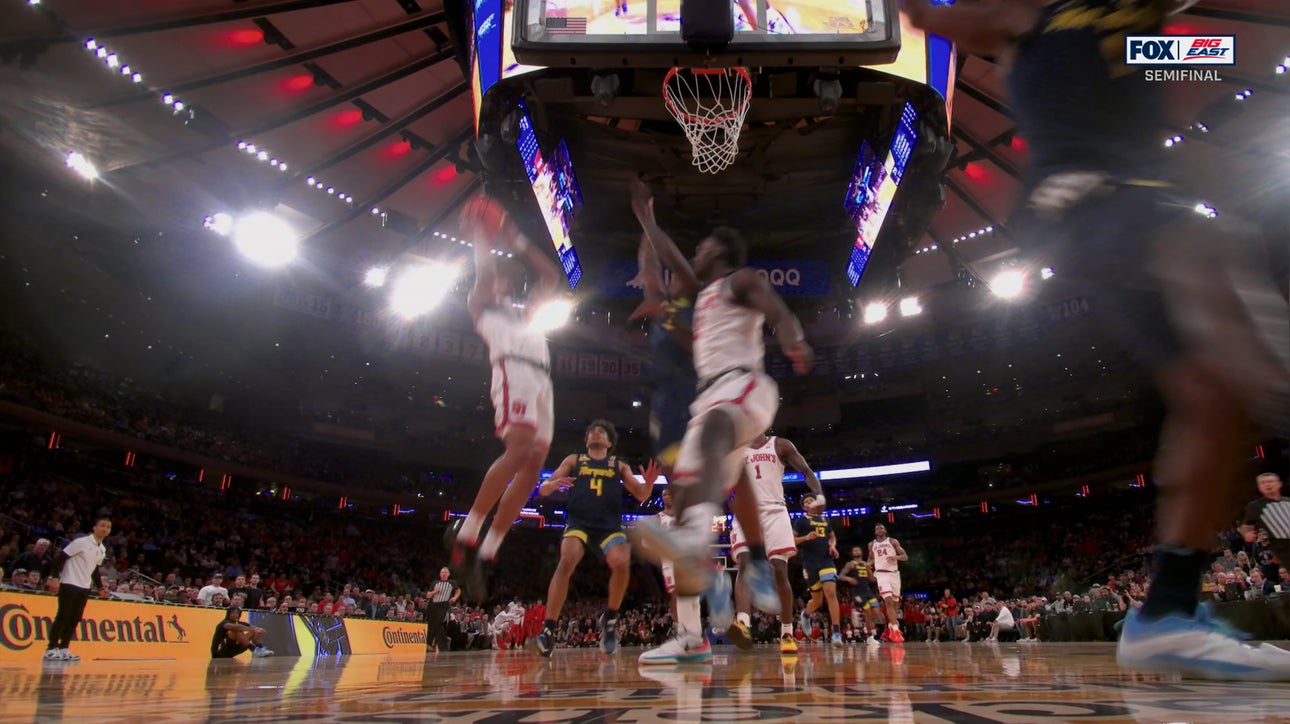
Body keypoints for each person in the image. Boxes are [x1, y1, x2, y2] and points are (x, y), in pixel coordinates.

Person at [903, 0, 1290, 679]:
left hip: (1132, 203)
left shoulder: (1138, 29)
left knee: (1215, 399)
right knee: (1217, 252)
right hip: (1091, 199)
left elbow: (1201, 56)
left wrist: (1210, 60)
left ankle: (1167, 613)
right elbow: (925, 15)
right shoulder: (1035, 20)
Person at [628, 177, 813, 664]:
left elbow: (778, 310)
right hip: (708, 401)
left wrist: (794, 339)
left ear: (721, 251)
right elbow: (671, 261)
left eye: (703, 245)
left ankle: (712, 548)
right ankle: (693, 637)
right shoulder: (702, 293)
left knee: (714, 444)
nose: (696, 250)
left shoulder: (740, 279)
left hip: (745, 385)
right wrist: (646, 220)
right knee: (690, 497)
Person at [446, 193, 565, 601]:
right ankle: (468, 531)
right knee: (517, 450)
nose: (502, 280)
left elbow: (550, 276)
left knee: (534, 467)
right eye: (498, 276)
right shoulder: (481, 304)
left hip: (542, 381)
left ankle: (493, 545)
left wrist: (515, 236)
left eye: (506, 278)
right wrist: (482, 233)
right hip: (512, 370)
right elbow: (484, 269)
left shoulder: (524, 310)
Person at [530, 420, 657, 657]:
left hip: (608, 525)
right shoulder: (573, 460)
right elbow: (543, 489)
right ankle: (548, 630)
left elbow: (641, 495)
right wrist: (551, 484)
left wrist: (648, 483)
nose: (595, 432)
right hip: (579, 522)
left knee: (621, 562)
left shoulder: (618, 465)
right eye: (591, 432)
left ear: (609, 443)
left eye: (600, 431)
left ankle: (609, 618)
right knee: (567, 560)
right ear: (587, 441)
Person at [727, 433, 825, 655]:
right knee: (744, 564)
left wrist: (819, 494)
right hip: (746, 510)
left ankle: (787, 632)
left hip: (775, 511)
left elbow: (807, 472)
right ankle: (743, 623)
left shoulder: (780, 444)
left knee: (780, 570)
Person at [44, 519, 110, 661]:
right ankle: (51, 648)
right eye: (102, 526)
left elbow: (95, 570)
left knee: (75, 618)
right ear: (94, 527)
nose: (105, 529)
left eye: (107, 527)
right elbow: (60, 557)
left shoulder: (102, 549)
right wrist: (54, 577)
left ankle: (64, 647)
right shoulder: (81, 542)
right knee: (63, 615)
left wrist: (100, 587)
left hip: (84, 587)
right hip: (69, 582)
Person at [794, 495, 843, 644]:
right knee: (817, 601)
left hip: (826, 561)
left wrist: (833, 546)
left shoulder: (825, 519)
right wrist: (805, 538)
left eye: (812, 500)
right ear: (804, 507)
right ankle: (806, 614)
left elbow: (832, 537)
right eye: (806, 502)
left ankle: (836, 633)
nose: (810, 503)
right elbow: (792, 540)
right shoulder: (801, 521)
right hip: (809, 563)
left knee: (831, 594)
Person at [868, 523, 909, 643]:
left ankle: (891, 626)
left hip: (894, 574)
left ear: (885, 530)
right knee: (889, 601)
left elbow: (905, 556)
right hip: (881, 574)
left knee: (896, 603)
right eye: (877, 528)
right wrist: (868, 564)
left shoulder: (892, 541)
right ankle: (895, 630)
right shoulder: (872, 544)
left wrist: (896, 558)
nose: (879, 530)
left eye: (881, 528)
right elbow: (871, 557)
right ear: (875, 532)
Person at [1241, 473, 1290, 568]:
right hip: (1284, 549)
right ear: (1259, 487)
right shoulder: (1254, 506)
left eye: (1270, 481)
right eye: (1263, 483)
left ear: (1279, 484)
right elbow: (1246, 526)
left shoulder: (1288, 501)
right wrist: (1247, 534)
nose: (1267, 484)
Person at [839, 545, 883, 645]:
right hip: (857, 592)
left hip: (867, 591)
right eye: (854, 550)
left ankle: (865, 624)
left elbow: (872, 580)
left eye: (857, 549)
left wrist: (869, 570)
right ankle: (870, 636)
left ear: (861, 552)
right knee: (867, 611)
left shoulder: (865, 564)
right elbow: (840, 576)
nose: (856, 551)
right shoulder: (850, 564)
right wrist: (848, 578)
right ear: (852, 553)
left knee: (876, 612)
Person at [427, 567, 460, 653]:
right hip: (434, 605)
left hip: (444, 605)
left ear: (448, 574)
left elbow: (458, 591)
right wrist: (435, 592)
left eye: (445, 572)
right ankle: (431, 644)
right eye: (442, 572)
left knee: (438, 624)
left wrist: (454, 598)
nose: (443, 574)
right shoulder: (435, 583)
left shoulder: (452, 582)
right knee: (433, 625)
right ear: (440, 574)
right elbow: (428, 595)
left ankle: (434, 644)